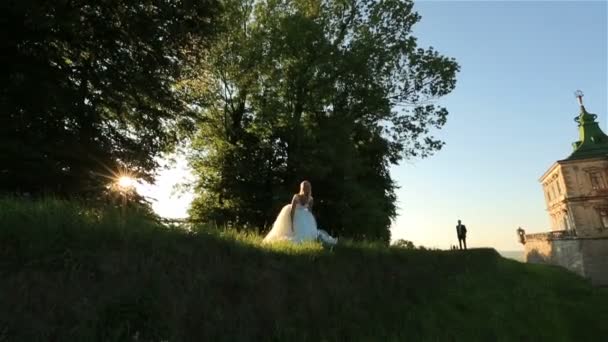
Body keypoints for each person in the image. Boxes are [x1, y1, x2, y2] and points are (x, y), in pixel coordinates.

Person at [263, 180, 338, 246]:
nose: (306, 189)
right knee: (290, 230)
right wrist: (291, 223)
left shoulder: (310, 199)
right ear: (302, 188)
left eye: (307, 187)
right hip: (294, 213)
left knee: (306, 232)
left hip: (304, 215)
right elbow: (292, 210)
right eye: (305, 187)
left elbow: (310, 211)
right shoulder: (296, 196)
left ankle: (309, 240)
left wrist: (312, 222)